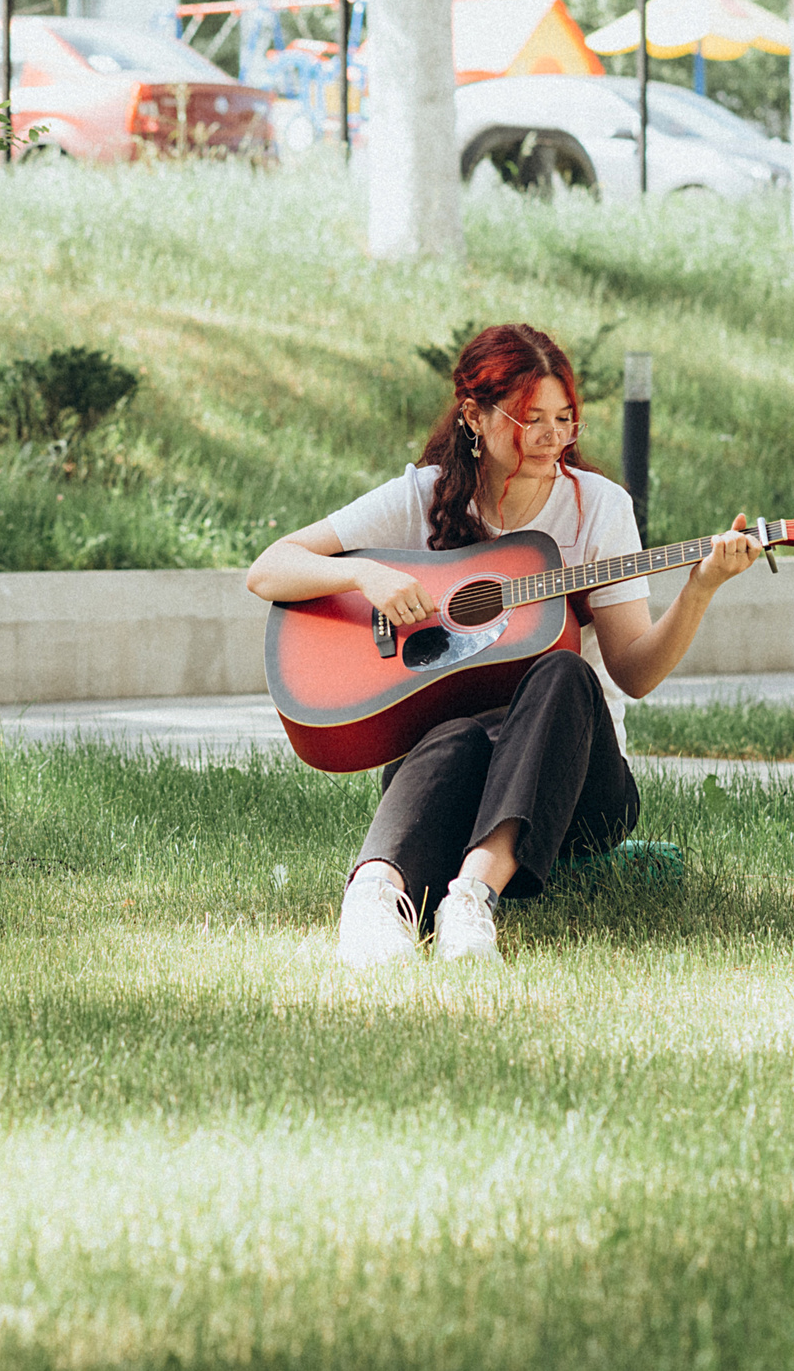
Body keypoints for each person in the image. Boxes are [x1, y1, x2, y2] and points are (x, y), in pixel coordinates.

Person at [243, 322, 764, 968]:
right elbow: (269, 567)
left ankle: (471, 900)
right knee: (458, 728)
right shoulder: (423, 496)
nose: (552, 437)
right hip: (452, 773)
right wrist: (363, 573)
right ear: (473, 415)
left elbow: (632, 671)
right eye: (528, 418)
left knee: (564, 672)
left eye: (564, 418)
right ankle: (374, 898)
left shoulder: (601, 507)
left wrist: (701, 587)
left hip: (574, 784)